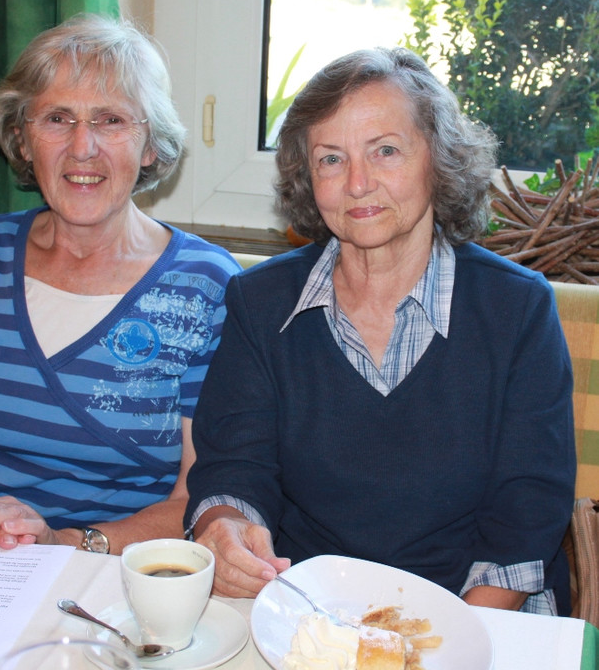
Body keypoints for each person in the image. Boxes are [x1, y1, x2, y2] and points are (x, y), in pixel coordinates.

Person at [184, 47, 576, 615]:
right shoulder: (259, 302)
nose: (358, 183)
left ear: (438, 159)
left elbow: (527, 510)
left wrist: (446, 638)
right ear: (307, 176)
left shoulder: (518, 309)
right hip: (307, 606)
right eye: (331, 159)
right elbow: (234, 468)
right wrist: (226, 527)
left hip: (479, 607)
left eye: (385, 151)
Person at [0, 14, 240, 554]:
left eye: (111, 120)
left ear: (150, 146)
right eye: (57, 118)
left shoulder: (206, 285)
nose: (82, 146)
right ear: (22, 140)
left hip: (105, 570)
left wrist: (60, 545)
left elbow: (199, 496)